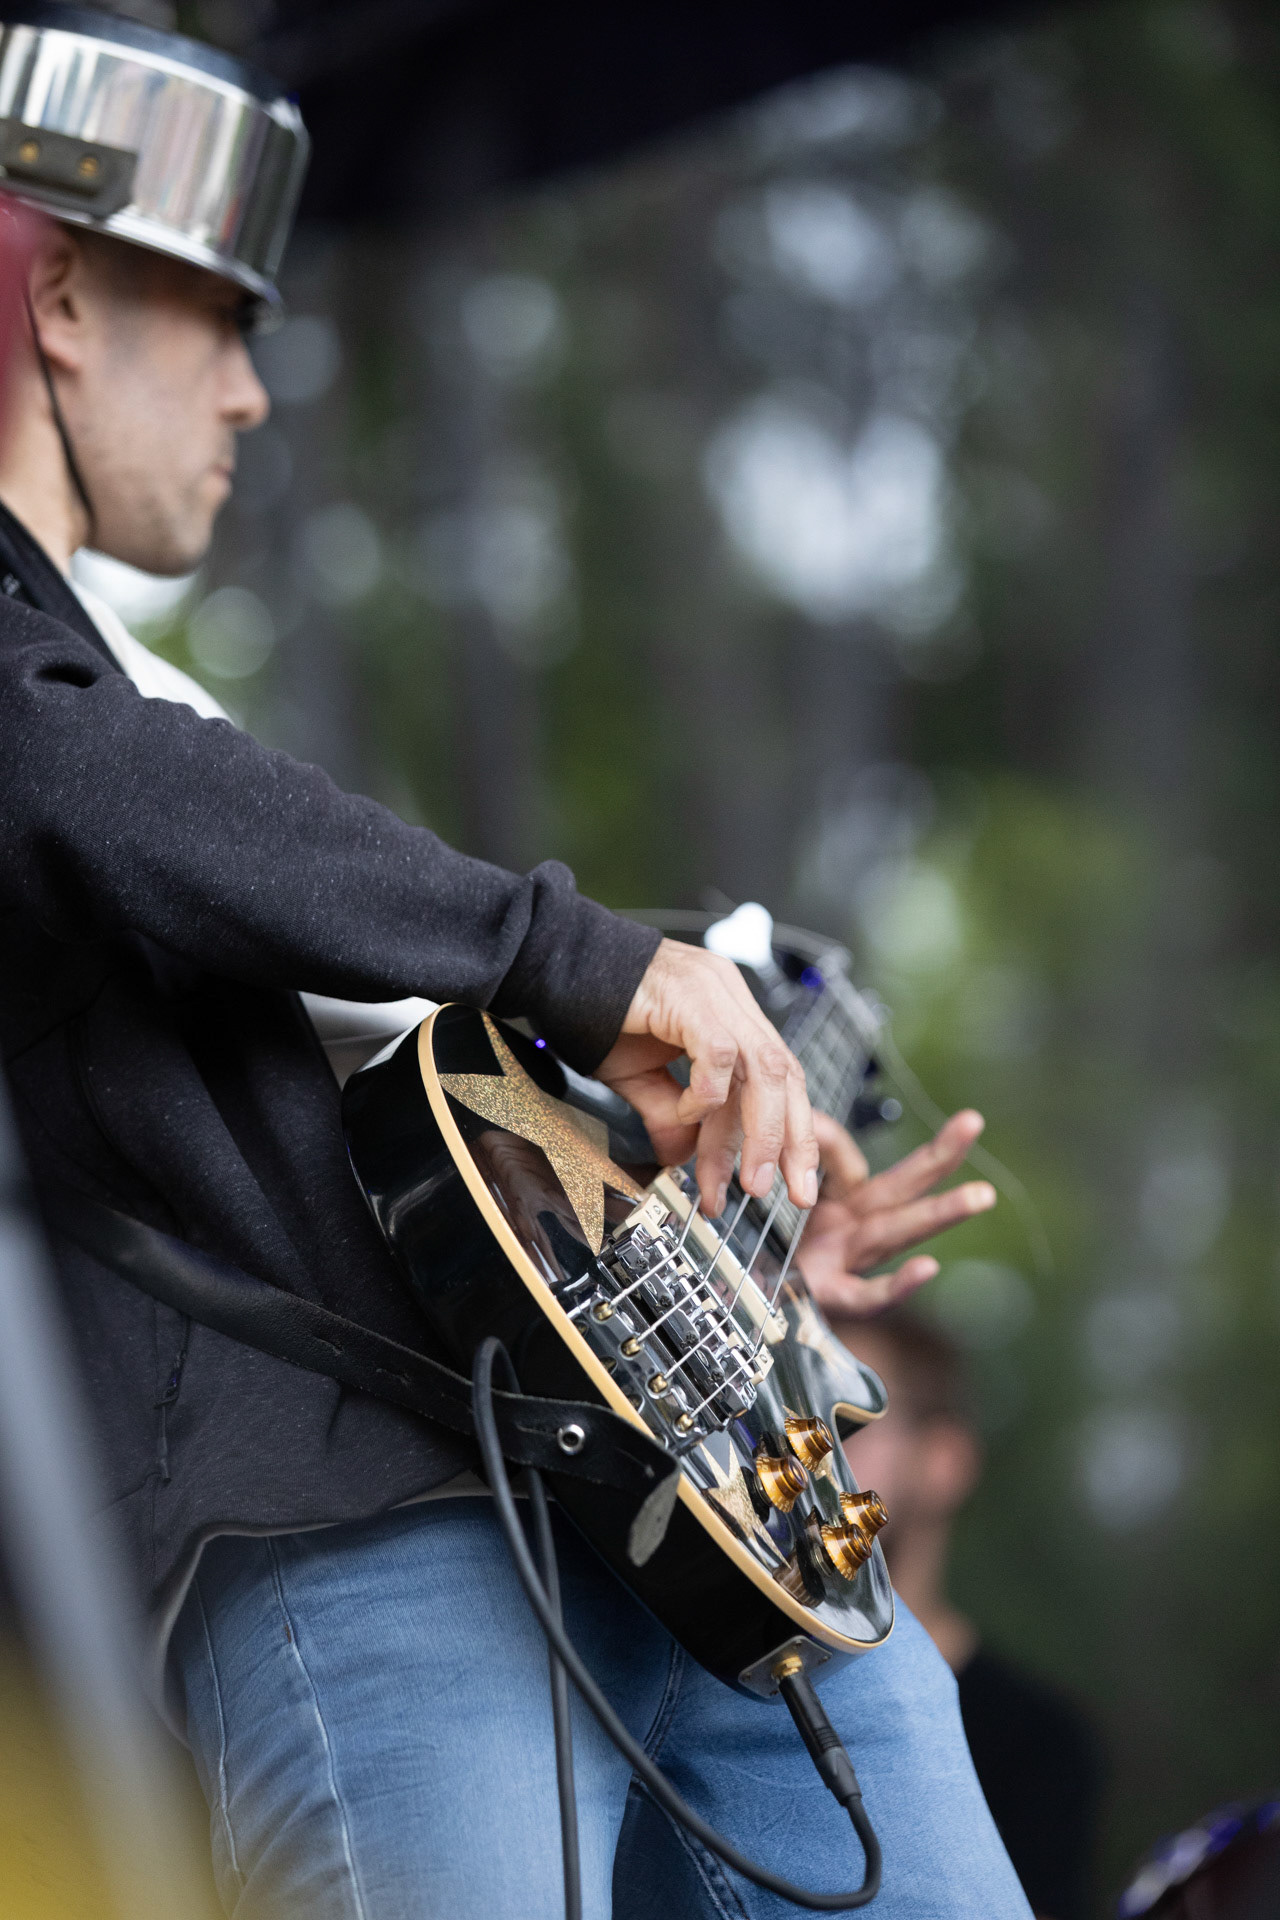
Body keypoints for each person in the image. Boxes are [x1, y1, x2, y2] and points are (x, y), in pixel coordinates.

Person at [0, 9, 1031, 1917]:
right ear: (61, 300)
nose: (250, 394)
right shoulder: (62, 706)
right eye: (220, 321)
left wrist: (701, 1238)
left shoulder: (149, 693)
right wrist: (585, 959)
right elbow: (76, 780)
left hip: (684, 1498)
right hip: (361, 1517)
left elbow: (382, 1124)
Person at [836, 1308, 1105, 1920]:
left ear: (945, 1461)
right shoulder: (713, 1680)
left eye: (847, 1418)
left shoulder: (1038, 1745)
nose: (804, 1445)